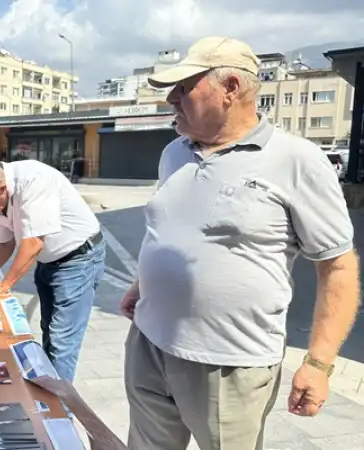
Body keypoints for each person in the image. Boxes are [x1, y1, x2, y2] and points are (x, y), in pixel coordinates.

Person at [120, 36, 360, 450]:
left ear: (230, 88)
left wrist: (319, 363)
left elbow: (337, 267)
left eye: (184, 88)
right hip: (148, 345)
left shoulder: (297, 160)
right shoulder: (174, 152)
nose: (171, 100)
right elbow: (174, 228)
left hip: (229, 366)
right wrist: (144, 285)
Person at [0, 160, 105, 382]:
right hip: (48, 261)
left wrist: (5, 286)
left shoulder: (34, 180)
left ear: (2, 189)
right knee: (48, 330)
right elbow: (5, 243)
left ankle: (57, 401)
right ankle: (48, 386)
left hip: (78, 259)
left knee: (62, 341)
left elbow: (34, 243)